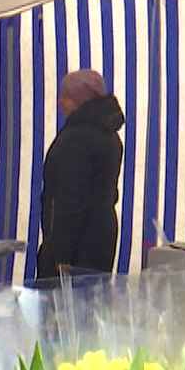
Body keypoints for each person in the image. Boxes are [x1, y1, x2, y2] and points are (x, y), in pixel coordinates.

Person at [35, 69, 125, 281]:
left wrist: (60, 253)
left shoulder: (76, 140)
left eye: (66, 96)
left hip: (77, 247)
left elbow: (71, 201)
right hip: (101, 237)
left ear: (80, 101)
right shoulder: (109, 135)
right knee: (91, 305)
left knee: (62, 310)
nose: (60, 102)